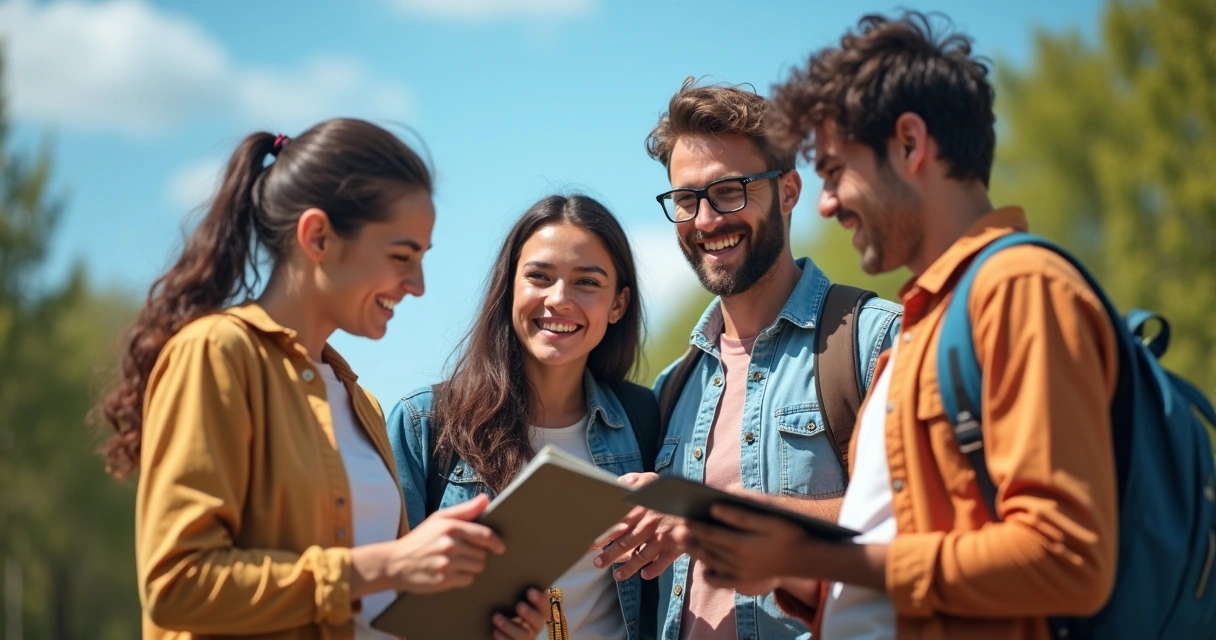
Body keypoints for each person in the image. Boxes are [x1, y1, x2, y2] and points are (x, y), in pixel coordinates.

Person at [680, 12, 1121, 640]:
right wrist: (788, 568)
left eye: (836, 171)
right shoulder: (921, 336)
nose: (827, 204)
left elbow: (1066, 558)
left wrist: (811, 555)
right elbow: (902, 559)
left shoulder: (1018, 289)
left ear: (910, 144)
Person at [98, 118, 548, 640]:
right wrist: (385, 565)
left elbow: (370, 609)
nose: (418, 285)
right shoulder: (217, 355)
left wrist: (473, 618)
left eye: (422, 259)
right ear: (317, 236)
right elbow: (177, 586)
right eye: (401, 256)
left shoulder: (363, 405)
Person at [596, 80, 902, 640]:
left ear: (788, 191)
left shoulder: (873, 340)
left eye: (730, 191)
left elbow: (928, 528)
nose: (707, 220)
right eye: (686, 200)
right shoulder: (671, 387)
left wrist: (719, 517)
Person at [387, 194, 652, 640]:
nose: (559, 299)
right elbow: (388, 601)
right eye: (539, 277)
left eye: (587, 282)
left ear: (618, 305)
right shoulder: (424, 422)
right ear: (510, 286)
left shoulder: (645, 418)